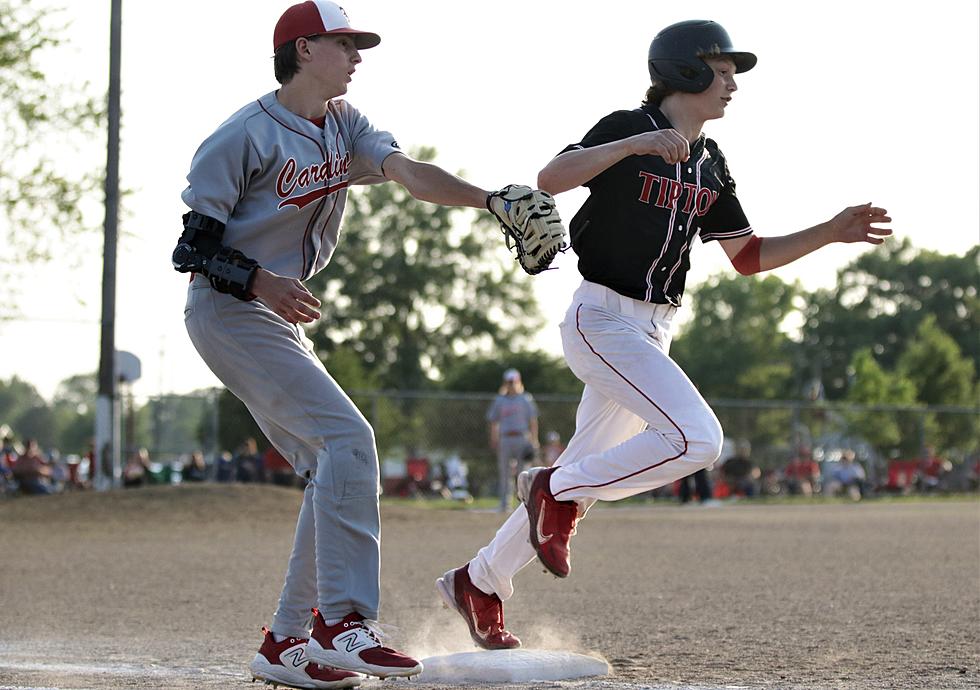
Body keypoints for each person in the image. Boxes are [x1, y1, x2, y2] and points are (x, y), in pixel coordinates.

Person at [436, 19, 891, 650]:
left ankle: (480, 580)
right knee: (698, 440)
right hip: (601, 320)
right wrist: (635, 147)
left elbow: (748, 255)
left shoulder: (711, 161)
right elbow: (551, 177)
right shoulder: (628, 126)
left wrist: (828, 230)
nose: (732, 82)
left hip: (653, 332)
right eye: (722, 69)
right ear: (685, 70)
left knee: (584, 470)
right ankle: (553, 490)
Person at [174, 2, 556, 685]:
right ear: (302, 49)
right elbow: (192, 248)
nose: (358, 54)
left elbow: (410, 175)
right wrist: (261, 281)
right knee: (350, 442)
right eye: (344, 43)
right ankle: (343, 622)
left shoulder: (346, 125)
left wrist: (491, 201)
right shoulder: (242, 135)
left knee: (332, 464)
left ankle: (286, 642)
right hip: (229, 311)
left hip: (271, 317)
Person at [486, 369, 539, 511]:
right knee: (504, 472)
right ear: (505, 383)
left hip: (522, 438)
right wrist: (494, 438)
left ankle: (525, 505)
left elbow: (533, 421)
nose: (511, 385)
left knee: (524, 474)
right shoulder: (499, 400)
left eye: (514, 382)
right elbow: (493, 421)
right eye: (509, 382)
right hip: (505, 438)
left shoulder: (525, 399)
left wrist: (534, 441)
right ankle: (505, 504)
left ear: (519, 382)